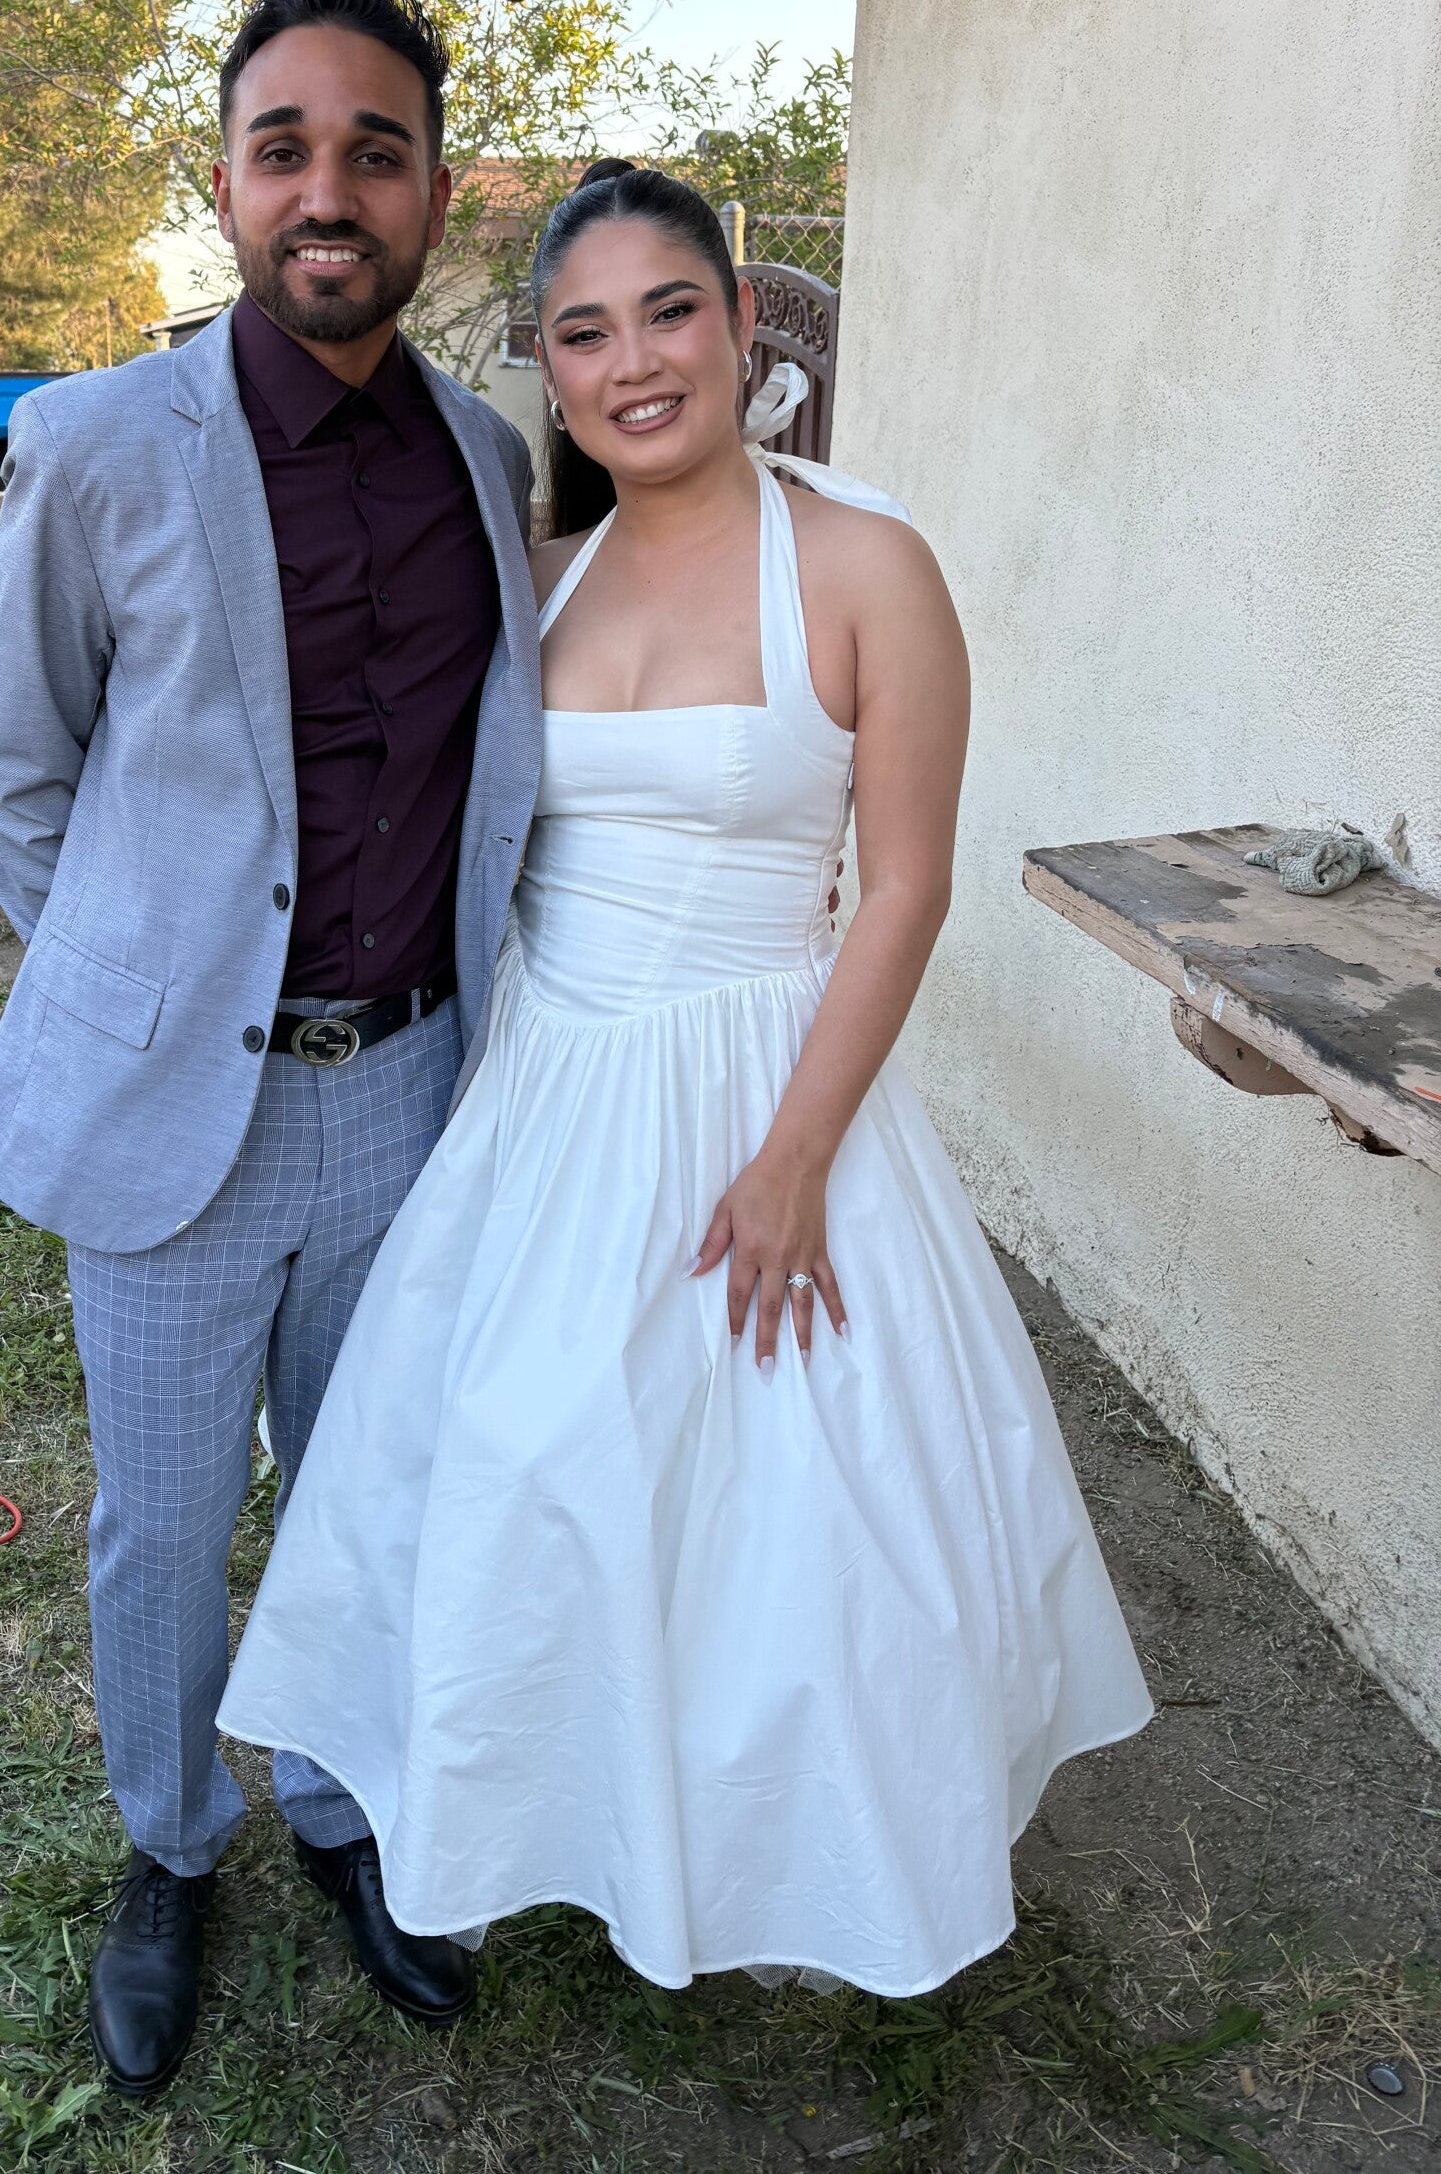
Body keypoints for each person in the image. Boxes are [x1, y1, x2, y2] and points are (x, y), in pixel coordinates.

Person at [220, 160, 1153, 1996]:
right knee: (538, 1463)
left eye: (668, 313)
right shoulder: (541, 581)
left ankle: (786, 1852)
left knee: (790, 1517)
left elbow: (906, 885)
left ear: (741, 329)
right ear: (551, 375)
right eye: (585, 334)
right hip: (553, 1086)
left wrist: (795, 1158)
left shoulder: (867, 567)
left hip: (767, 1080)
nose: (633, 362)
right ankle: (547, 1806)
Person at [0, 0, 543, 2094]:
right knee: (163, 1514)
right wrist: (144, 1001)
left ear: (435, 194)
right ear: (224, 184)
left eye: (375, 152)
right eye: (283, 147)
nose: (328, 190)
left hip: (414, 1090)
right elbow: (25, 773)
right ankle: (169, 1840)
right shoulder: (98, 441)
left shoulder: (492, 460)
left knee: (371, 1487)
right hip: (177, 1107)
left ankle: (339, 1807)